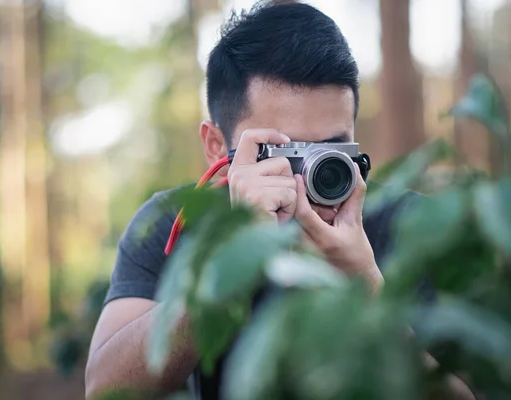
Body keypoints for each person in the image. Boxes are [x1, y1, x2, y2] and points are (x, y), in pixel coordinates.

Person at [84, 2, 474, 399]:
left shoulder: (415, 223)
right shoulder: (178, 221)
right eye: (284, 154)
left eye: (332, 151)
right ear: (217, 147)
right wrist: (228, 269)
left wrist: (366, 282)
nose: (312, 176)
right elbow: (104, 386)